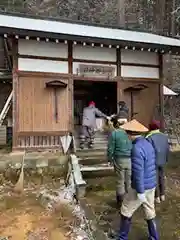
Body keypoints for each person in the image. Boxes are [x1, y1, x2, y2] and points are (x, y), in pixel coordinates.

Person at [118, 119, 159, 240]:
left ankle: (122, 238)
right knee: (150, 211)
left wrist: (140, 191)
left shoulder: (136, 149)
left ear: (131, 134)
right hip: (151, 184)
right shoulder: (148, 143)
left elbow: (138, 172)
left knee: (126, 210)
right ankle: (154, 237)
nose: (127, 136)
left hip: (141, 186)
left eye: (127, 133)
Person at [107, 117, 132, 206]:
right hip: (130, 159)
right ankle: (130, 201)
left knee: (120, 180)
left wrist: (110, 158)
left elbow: (110, 148)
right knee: (129, 180)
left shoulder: (114, 134)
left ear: (118, 124)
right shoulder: (130, 133)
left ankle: (120, 201)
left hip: (119, 159)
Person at [146, 120, 169, 203]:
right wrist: (166, 159)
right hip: (162, 160)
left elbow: (148, 151)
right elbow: (167, 149)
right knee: (162, 177)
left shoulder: (149, 137)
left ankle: (156, 197)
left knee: (154, 179)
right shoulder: (164, 136)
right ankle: (162, 195)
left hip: (153, 161)